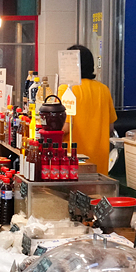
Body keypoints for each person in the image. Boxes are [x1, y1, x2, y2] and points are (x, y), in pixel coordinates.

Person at [56, 44, 117, 175]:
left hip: (74, 162)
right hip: (99, 164)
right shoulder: (103, 89)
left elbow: (65, 127)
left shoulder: (66, 90)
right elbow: (110, 128)